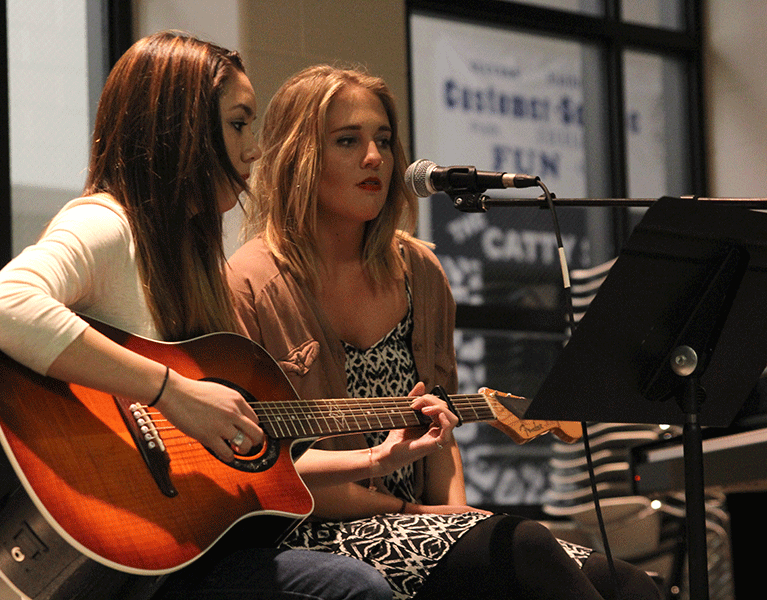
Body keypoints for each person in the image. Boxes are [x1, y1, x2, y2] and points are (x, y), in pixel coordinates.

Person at [0, 33, 392, 600]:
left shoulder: (190, 255)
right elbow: (5, 306)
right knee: (353, 588)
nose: (253, 151)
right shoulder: (106, 224)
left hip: (180, 547)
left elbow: (237, 447)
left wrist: (376, 454)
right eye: (239, 124)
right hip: (135, 554)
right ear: (181, 130)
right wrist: (171, 390)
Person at [227, 64, 664, 600]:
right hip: (317, 531)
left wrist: (454, 513)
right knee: (521, 548)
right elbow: (272, 468)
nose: (375, 159)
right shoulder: (250, 284)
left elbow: (440, 429)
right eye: (348, 141)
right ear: (300, 156)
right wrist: (426, 516)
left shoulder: (418, 272)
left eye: (383, 141)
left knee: (625, 582)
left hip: (424, 520)